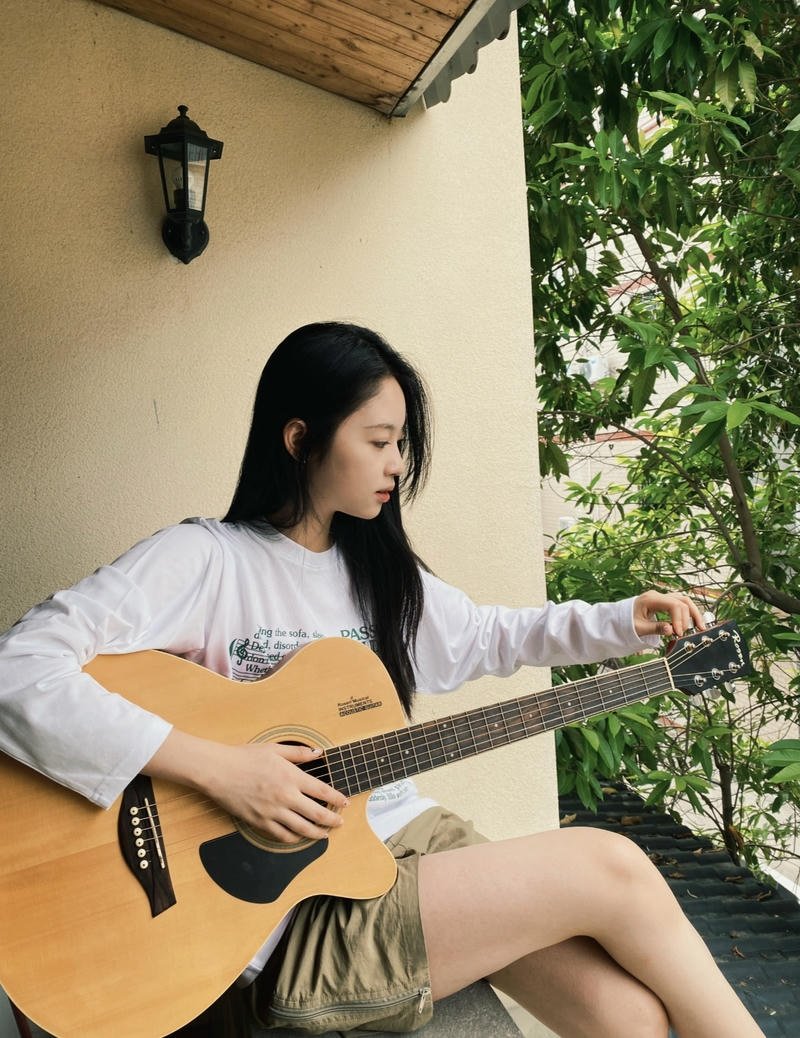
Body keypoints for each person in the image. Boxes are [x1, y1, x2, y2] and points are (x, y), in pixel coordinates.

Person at [0, 322, 763, 1038]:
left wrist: (623, 620)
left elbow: (494, 634)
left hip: (400, 839)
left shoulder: (373, 567)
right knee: (612, 863)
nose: (398, 463)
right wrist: (223, 770)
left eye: (401, 443)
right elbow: (18, 668)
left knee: (629, 1019)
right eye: (379, 441)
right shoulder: (205, 560)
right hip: (293, 914)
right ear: (300, 440)